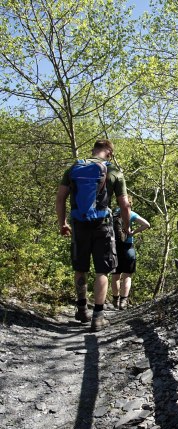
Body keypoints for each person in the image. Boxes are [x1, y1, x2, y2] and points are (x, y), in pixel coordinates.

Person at [55, 139, 131, 332]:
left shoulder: (74, 167)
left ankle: (81, 309)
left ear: (93, 151)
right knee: (102, 270)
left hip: (79, 225)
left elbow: (60, 198)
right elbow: (124, 205)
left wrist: (62, 223)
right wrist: (126, 227)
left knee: (80, 267)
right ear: (109, 153)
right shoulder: (113, 171)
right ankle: (98, 316)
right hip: (102, 226)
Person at [111, 198, 150, 310]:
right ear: (130, 204)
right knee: (127, 275)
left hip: (114, 247)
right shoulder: (131, 213)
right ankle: (123, 302)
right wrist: (133, 233)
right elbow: (146, 224)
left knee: (115, 276)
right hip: (128, 248)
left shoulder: (113, 213)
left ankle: (115, 299)